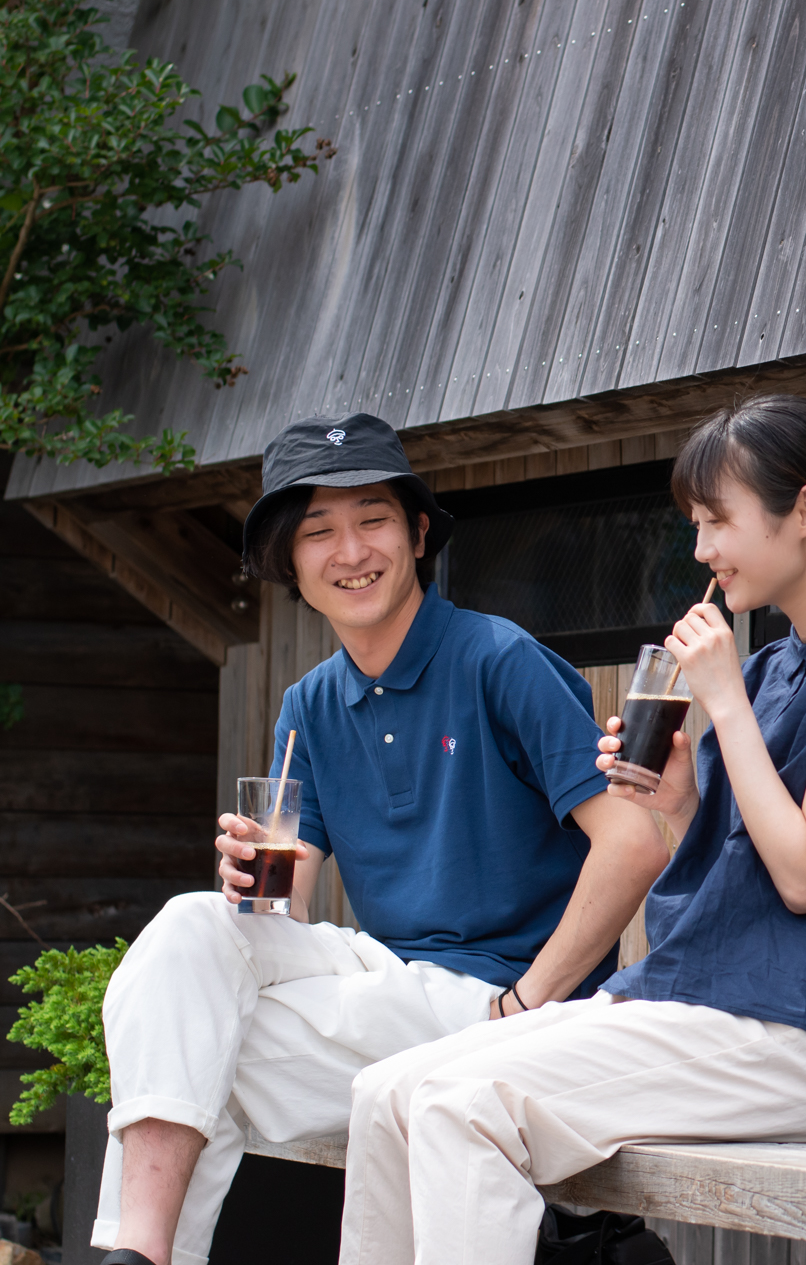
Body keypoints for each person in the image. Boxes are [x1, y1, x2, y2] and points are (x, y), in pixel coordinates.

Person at [337, 394, 806, 1265]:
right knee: (386, 1092)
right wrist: (682, 798)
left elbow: (805, 874)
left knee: (462, 1105)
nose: (702, 550)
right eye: (694, 524)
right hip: (714, 1004)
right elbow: (736, 864)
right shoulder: (771, 668)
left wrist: (724, 703)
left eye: (716, 521)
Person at [95, 414, 666, 1265]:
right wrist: (250, 872)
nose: (350, 550)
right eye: (318, 531)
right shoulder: (309, 706)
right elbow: (279, 918)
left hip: (495, 1011)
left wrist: (527, 1007)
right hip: (394, 989)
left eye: (372, 519)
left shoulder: (498, 659)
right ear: (290, 562)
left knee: (186, 1052)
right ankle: (136, 1257)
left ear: (419, 532)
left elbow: (634, 844)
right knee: (188, 944)